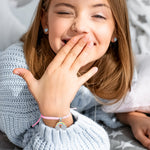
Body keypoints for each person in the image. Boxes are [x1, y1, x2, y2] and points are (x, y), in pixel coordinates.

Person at [0, 0, 134, 149]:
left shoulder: (111, 68)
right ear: (45, 21)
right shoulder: (16, 70)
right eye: (65, 12)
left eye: (98, 15)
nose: (80, 27)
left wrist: (131, 117)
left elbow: (97, 107)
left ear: (115, 30)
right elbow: (30, 141)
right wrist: (54, 112)